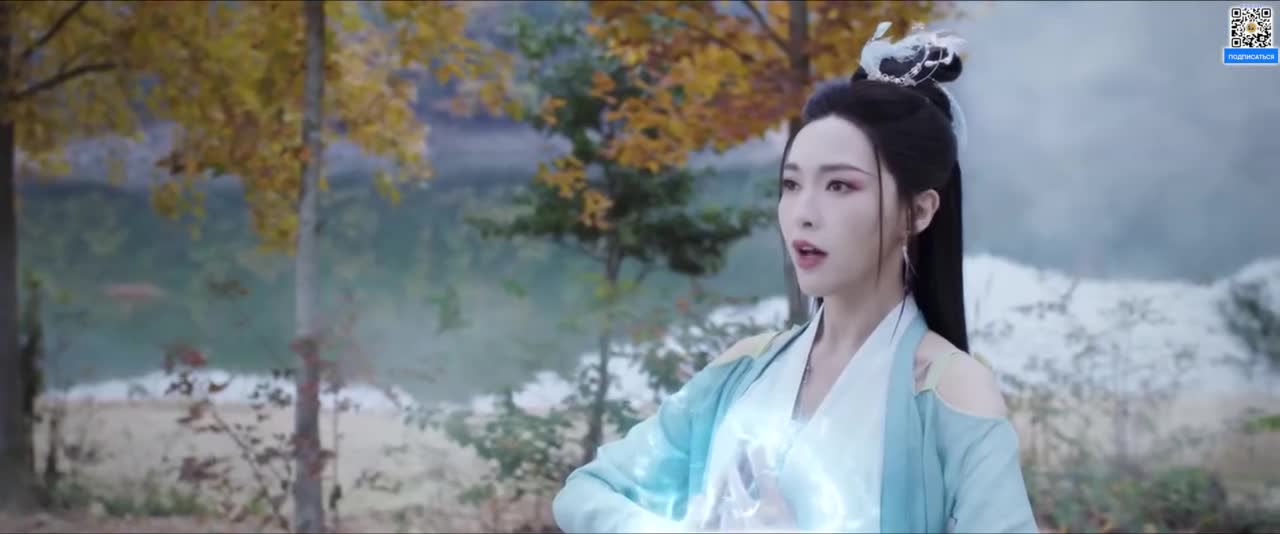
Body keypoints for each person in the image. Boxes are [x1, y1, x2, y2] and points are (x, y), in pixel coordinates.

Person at [551, 22, 1039, 533]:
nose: (803, 213)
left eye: (839, 186)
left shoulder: (949, 390)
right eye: (791, 184)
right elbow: (588, 492)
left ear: (917, 212)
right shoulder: (743, 369)